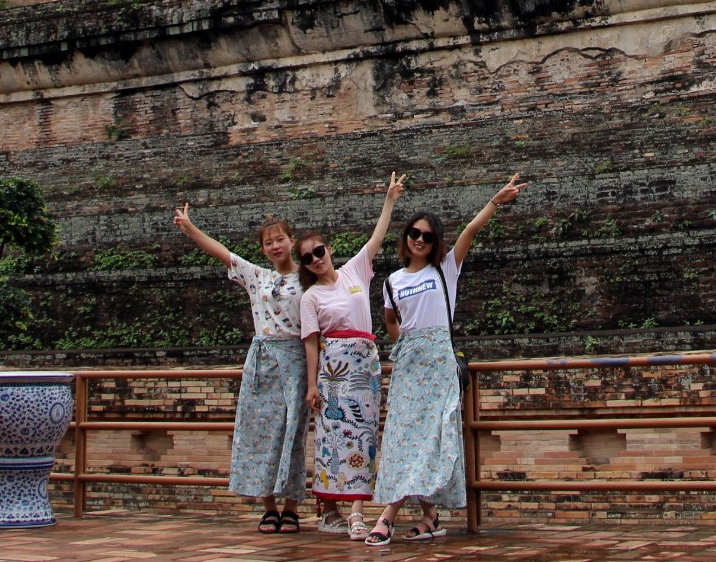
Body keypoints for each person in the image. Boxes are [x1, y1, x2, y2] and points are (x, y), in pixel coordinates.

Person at [363, 173, 526, 547]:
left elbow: (470, 229)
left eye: (428, 236)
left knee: (431, 436)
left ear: (436, 242)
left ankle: (387, 516)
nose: (420, 240)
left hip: (438, 362)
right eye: (414, 234)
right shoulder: (393, 281)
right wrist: (404, 344)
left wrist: (495, 201)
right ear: (406, 237)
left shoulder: (445, 270)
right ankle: (430, 516)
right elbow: (390, 320)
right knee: (403, 437)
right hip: (409, 364)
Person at [174, 205, 310, 533]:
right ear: (263, 249)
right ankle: (269, 507)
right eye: (268, 243)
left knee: (293, 435)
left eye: (280, 239)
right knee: (259, 433)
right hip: (262, 359)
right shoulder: (256, 276)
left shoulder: (309, 280)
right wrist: (190, 228)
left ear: (292, 241)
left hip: (295, 360)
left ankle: (291, 506)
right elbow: (222, 252)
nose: (275, 246)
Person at [299, 172, 405, 538]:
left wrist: (389, 199)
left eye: (319, 251)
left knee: (363, 433)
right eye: (308, 257)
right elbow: (311, 342)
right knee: (332, 435)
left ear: (329, 251)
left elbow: (377, 238)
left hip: (365, 361)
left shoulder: (354, 271)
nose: (316, 259)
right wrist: (312, 384)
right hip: (334, 368)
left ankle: (358, 509)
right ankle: (332, 510)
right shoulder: (310, 298)